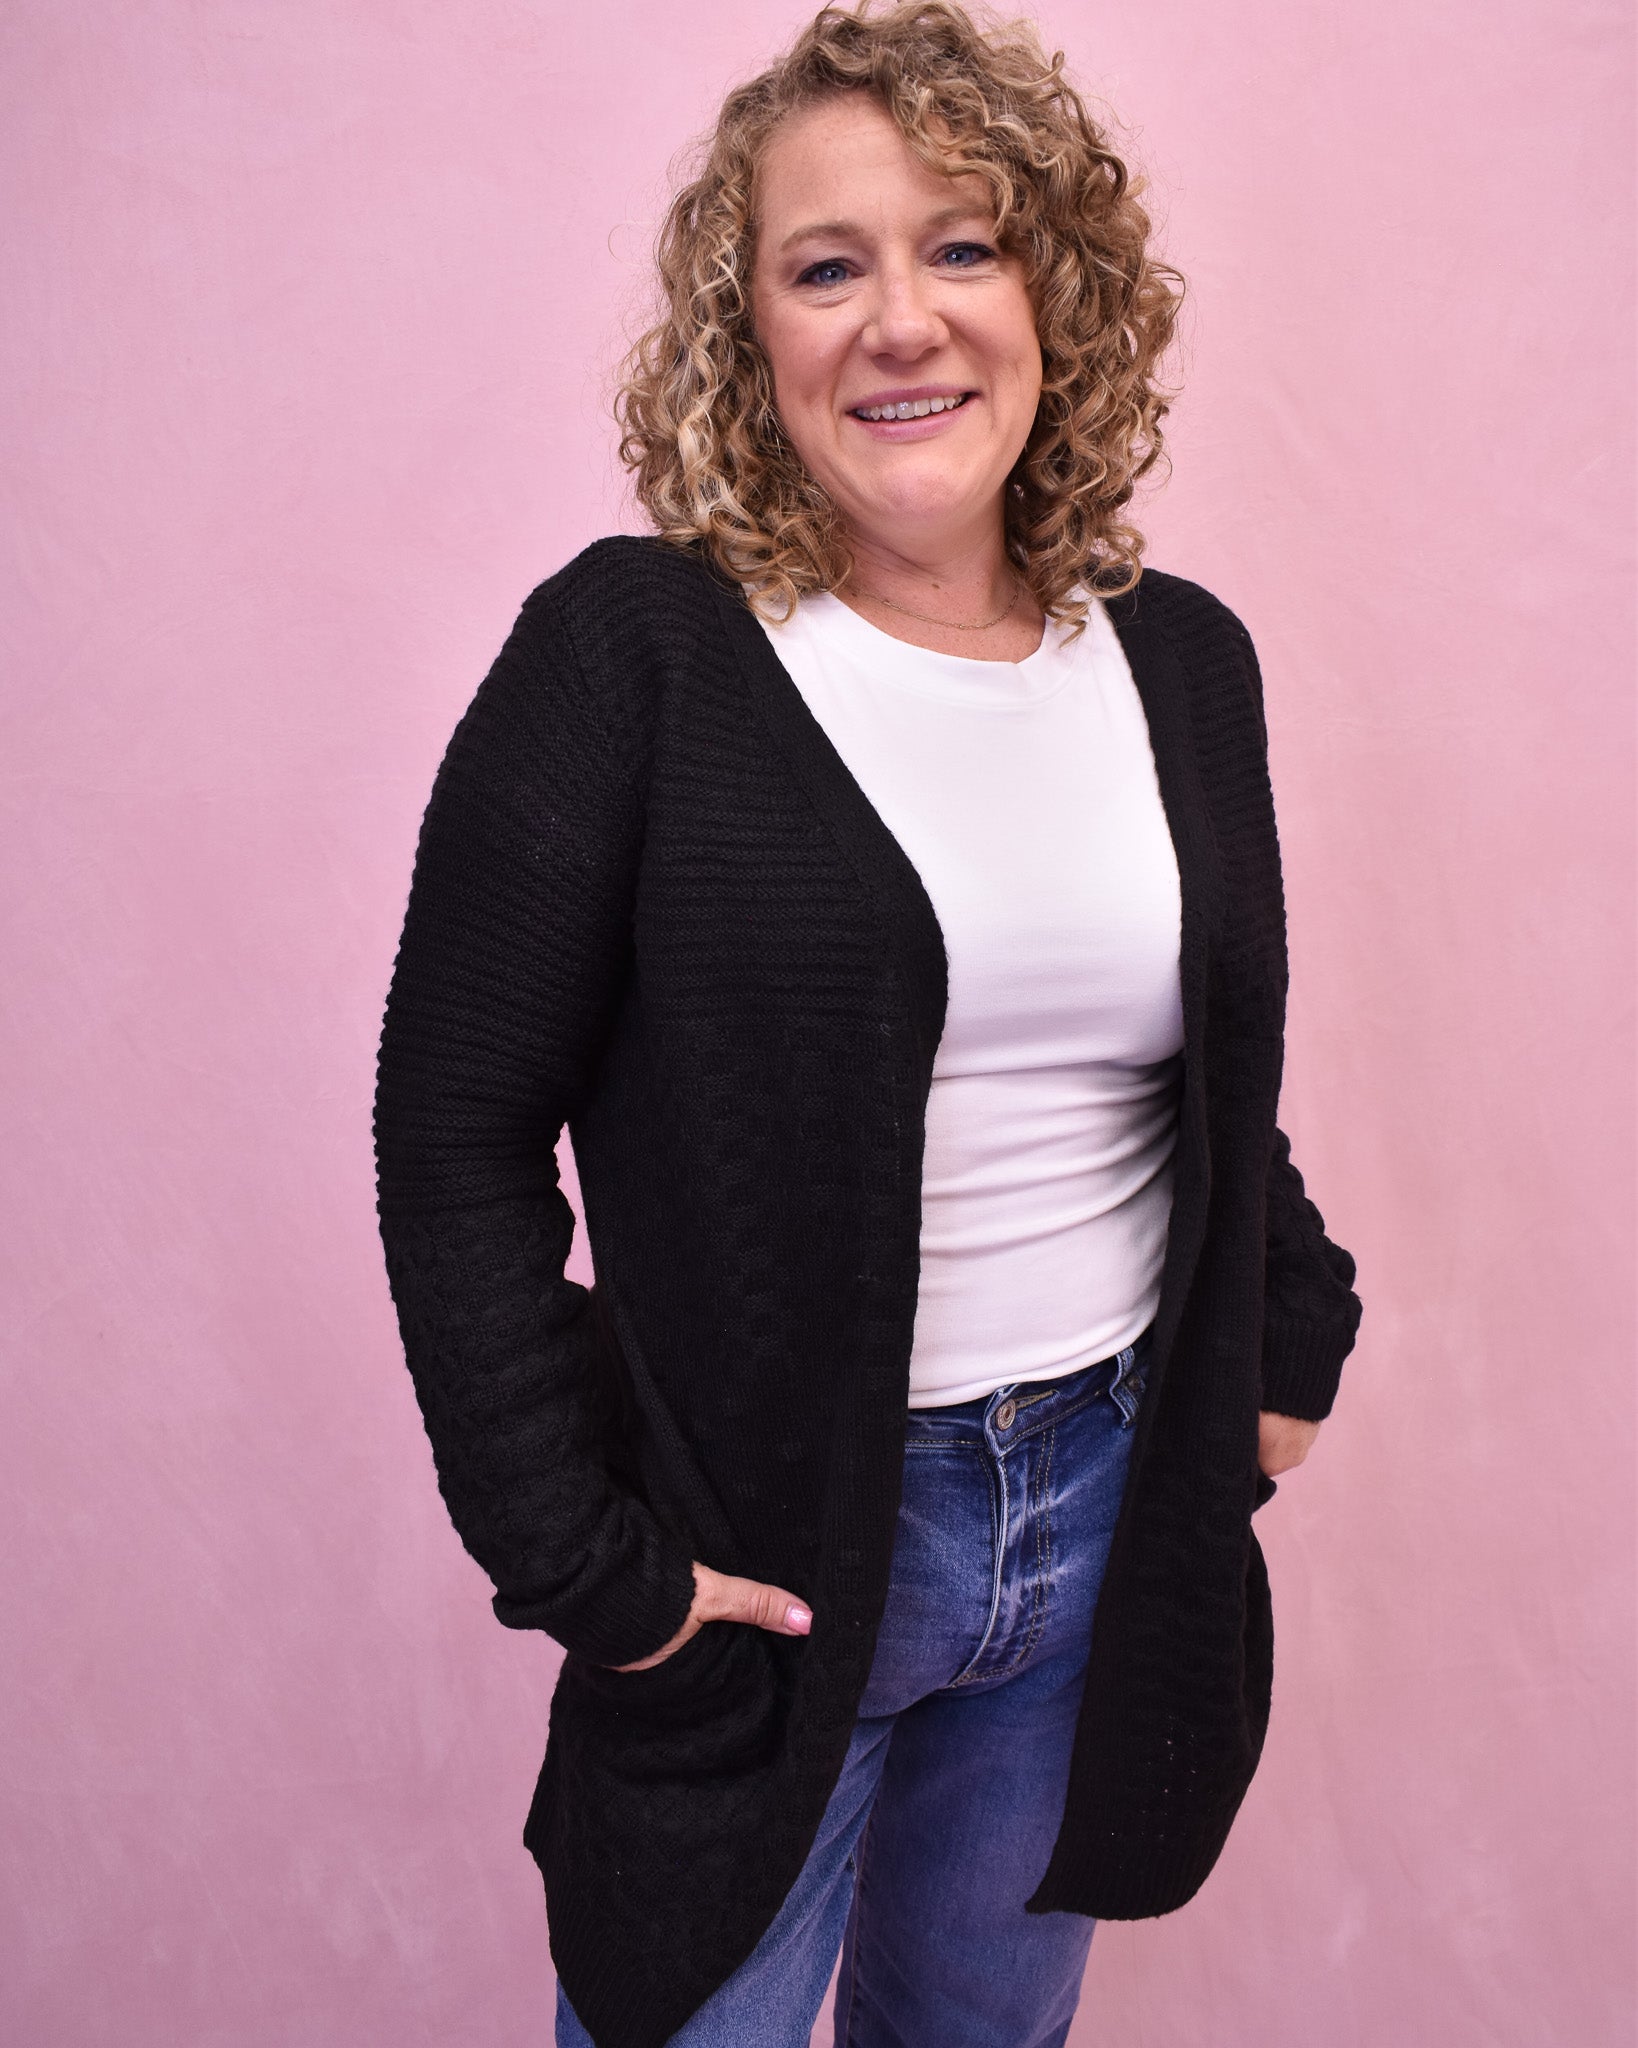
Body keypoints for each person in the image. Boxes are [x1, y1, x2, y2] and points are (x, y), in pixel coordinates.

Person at [371, 4, 1364, 2045]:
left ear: (1055, 294)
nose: (901, 319)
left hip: (1102, 1528)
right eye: (828, 265)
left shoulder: (1183, 663)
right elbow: (454, 1129)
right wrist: (587, 1563)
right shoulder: (631, 659)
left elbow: (1196, 1071)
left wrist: (1292, 1330)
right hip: (780, 1567)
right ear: (751, 337)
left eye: (964, 247)